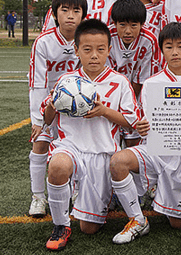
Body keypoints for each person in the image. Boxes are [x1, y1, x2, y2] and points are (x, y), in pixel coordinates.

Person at [109, 22, 181, 244]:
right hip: (156, 150)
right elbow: (144, 123)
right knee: (118, 161)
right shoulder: (152, 84)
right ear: (162, 50)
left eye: (180, 46)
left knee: (178, 224)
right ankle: (137, 220)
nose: (175, 52)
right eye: (169, 47)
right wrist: (142, 127)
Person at [41, 19, 141, 251]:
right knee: (57, 166)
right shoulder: (66, 82)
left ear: (109, 50)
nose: (94, 55)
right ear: (76, 50)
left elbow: (131, 123)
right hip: (71, 147)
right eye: (87, 50)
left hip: (101, 155)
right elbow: (47, 120)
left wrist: (104, 111)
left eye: (100, 49)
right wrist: (52, 106)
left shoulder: (119, 82)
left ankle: (91, 198)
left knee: (89, 228)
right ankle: (60, 225)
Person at [28, 0, 87, 218]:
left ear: (83, 15)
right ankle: (37, 197)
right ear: (54, 14)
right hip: (49, 104)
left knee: (77, 147)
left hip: (77, 106)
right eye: (64, 10)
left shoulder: (86, 39)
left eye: (76, 11)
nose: (70, 15)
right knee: (40, 144)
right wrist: (38, 119)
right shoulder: (44, 42)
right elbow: (38, 83)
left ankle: (76, 192)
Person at [108, 0, 161, 99]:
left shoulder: (149, 40)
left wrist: (129, 101)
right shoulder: (106, 37)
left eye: (133, 25)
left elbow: (143, 77)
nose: (128, 31)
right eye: (122, 25)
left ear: (142, 24)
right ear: (114, 23)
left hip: (137, 93)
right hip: (110, 91)